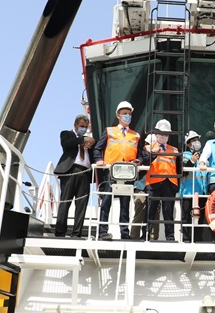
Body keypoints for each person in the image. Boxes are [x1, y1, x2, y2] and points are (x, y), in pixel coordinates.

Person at [92, 100, 140, 240]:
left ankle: (124, 232)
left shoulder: (136, 135)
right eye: (124, 113)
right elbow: (97, 148)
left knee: (125, 203)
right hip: (111, 170)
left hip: (128, 172)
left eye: (129, 114)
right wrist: (98, 160)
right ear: (118, 115)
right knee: (107, 200)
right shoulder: (109, 131)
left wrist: (139, 160)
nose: (127, 116)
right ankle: (102, 231)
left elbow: (141, 154)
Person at [140, 119, 181, 241]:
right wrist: (154, 154)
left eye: (166, 134)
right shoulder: (148, 148)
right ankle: (145, 235)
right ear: (156, 134)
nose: (164, 136)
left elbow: (179, 168)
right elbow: (144, 162)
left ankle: (170, 237)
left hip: (170, 183)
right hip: (154, 182)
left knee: (168, 212)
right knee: (150, 210)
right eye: (162, 133)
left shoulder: (174, 150)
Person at [54, 114, 94, 238]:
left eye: (86, 127)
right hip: (70, 170)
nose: (84, 129)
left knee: (81, 205)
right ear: (75, 125)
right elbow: (66, 144)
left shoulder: (89, 140)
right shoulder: (66, 134)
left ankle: (77, 233)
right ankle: (60, 232)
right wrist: (83, 140)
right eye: (81, 126)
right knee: (65, 202)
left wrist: (90, 143)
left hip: (85, 173)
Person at [179, 130, 208, 242]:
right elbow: (182, 172)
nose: (196, 142)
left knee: (200, 218)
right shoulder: (184, 155)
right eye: (193, 140)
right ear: (188, 144)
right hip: (187, 192)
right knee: (186, 217)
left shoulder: (204, 157)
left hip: (201, 192)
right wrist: (192, 161)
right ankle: (186, 240)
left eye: (197, 139)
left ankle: (197, 240)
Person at [130, 134, 159, 241]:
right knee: (140, 211)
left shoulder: (161, 152)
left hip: (155, 186)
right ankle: (134, 237)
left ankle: (152, 237)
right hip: (141, 185)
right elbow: (141, 161)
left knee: (155, 213)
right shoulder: (141, 152)